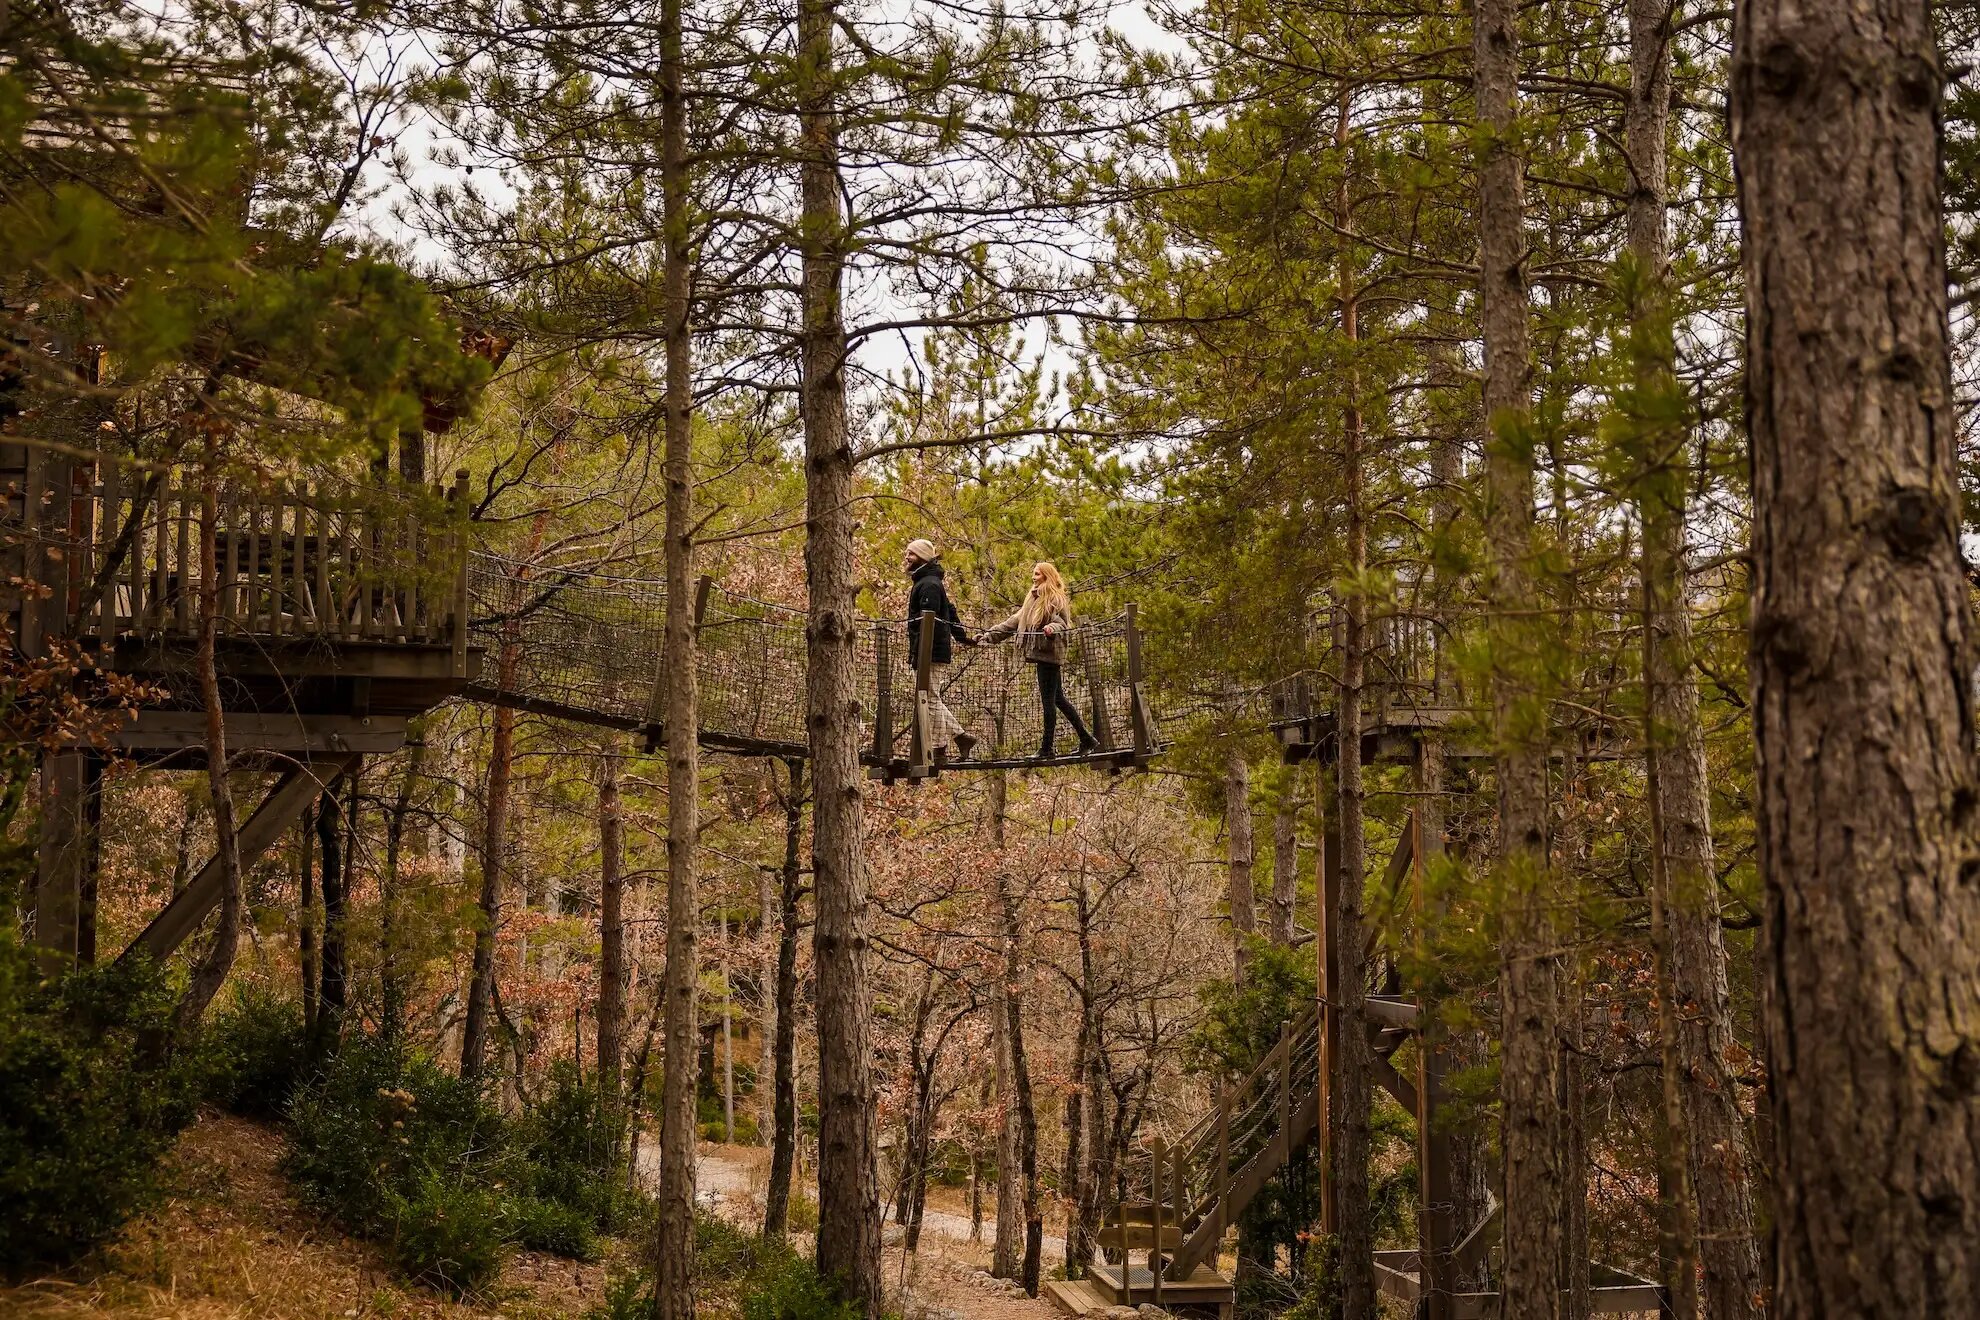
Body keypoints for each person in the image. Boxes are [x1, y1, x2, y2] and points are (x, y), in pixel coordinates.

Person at [985, 561, 1096, 760]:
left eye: (1037, 574)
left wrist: (1051, 630)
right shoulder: (1033, 598)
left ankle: (1047, 748)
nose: (1033, 577)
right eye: (1033, 574)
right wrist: (989, 636)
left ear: (1047, 576)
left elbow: (1061, 623)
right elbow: (1015, 621)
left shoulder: (1055, 598)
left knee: (1048, 702)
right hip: (1041, 653)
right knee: (1058, 699)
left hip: (1049, 654)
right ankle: (1086, 739)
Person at [903, 538, 978, 761]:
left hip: (930, 651)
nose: (907, 557)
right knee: (929, 697)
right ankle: (956, 740)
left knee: (929, 697)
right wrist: (962, 638)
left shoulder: (929, 584)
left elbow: (931, 621)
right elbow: (951, 610)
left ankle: (943, 745)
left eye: (911, 554)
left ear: (923, 557)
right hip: (929, 650)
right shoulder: (928, 581)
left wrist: (920, 651)